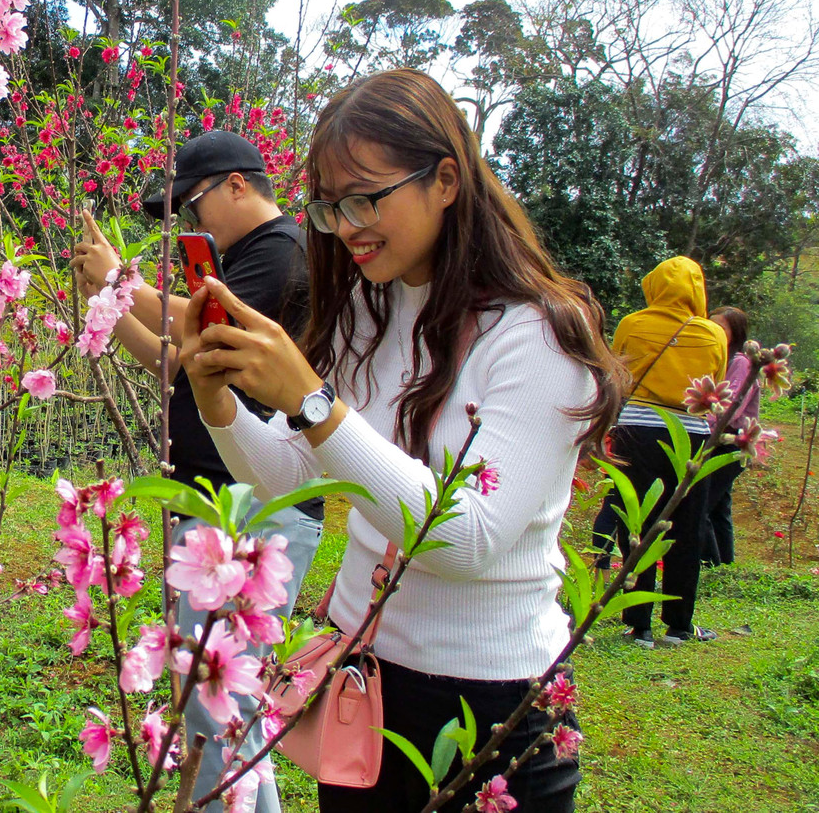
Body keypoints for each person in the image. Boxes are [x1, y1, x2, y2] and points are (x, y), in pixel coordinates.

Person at [177, 68, 625, 812]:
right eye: (329, 207)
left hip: (491, 712)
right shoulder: (368, 313)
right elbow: (297, 481)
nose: (347, 225)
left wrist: (314, 403)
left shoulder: (537, 336)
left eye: (366, 198)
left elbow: (466, 539)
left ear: (445, 179)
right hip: (363, 691)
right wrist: (216, 401)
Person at [70, 130, 322, 813]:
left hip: (248, 514)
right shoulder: (243, 261)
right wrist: (112, 298)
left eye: (195, 203)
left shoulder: (280, 254)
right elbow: (173, 358)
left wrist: (124, 278)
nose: (190, 223)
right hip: (219, 509)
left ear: (240, 184)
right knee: (221, 707)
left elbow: (209, 326)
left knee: (220, 709)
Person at [589, 256, 727, 648]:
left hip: (637, 429)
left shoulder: (633, 324)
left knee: (637, 523)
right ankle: (680, 625)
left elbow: (616, 375)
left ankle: (638, 625)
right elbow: (713, 386)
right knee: (688, 526)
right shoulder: (713, 334)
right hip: (692, 433)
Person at [701, 306, 759, 566]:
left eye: (721, 327)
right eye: (710, 324)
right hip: (719, 438)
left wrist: (702, 426)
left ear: (735, 333)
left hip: (728, 441)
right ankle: (726, 565)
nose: (714, 331)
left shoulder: (740, 363)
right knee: (718, 507)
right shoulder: (717, 359)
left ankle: (710, 564)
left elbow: (730, 409)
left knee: (700, 506)